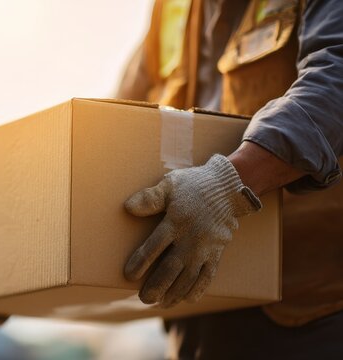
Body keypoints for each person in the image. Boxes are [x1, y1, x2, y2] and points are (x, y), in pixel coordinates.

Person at [117, 0, 343, 358]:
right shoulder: (172, 8)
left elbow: (335, 78)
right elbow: (116, 121)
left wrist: (224, 188)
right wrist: (23, 273)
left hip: (312, 311)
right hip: (194, 308)